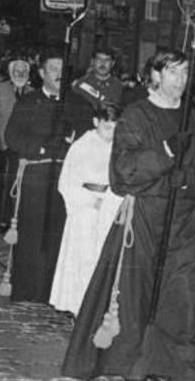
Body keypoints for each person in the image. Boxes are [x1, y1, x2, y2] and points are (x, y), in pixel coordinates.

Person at [62, 49, 195, 381]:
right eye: (173, 73)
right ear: (155, 76)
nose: (180, 80)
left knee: (182, 296)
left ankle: (174, 367)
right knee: (135, 295)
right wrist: (164, 154)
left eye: (185, 73)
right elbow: (122, 175)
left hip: (184, 222)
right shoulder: (136, 116)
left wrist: (189, 181)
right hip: (144, 217)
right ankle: (130, 365)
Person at [3, 50, 92, 304]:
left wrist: (67, 148)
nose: (58, 74)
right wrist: (41, 147)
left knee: (59, 235)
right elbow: (12, 136)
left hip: (66, 179)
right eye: (53, 69)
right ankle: (26, 291)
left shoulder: (80, 104)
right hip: (36, 179)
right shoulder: (28, 102)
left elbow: (87, 140)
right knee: (31, 235)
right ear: (41, 73)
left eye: (62, 69)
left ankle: (54, 294)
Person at [49, 102, 124, 316]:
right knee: (82, 259)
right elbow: (66, 183)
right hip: (85, 210)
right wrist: (90, 201)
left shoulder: (119, 147)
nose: (112, 133)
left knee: (102, 258)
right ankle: (78, 307)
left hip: (110, 206)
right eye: (107, 127)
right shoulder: (82, 145)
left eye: (116, 128)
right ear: (96, 122)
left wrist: (110, 201)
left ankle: (98, 308)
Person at [0, 59, 34, 235]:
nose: (20, 74)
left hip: (20, 147)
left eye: (23, 71)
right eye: (17, 71)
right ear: (10, 72)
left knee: (16, 184)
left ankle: (9, 220)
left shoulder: (32, 93)